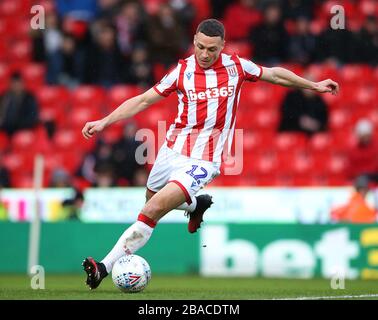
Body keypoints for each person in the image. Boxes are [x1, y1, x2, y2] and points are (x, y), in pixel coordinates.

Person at [81, 19, 339, 289]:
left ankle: (103, 267)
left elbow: (274, 74)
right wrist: (104, 121)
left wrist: (314, 85)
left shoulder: (237, 66)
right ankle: (196, 204)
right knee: (151, 200)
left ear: (223, 46)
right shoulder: (182, 72)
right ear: (194, 41)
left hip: (204, 159)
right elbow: (144, 99)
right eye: (201, 47)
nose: (205, 55)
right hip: (171, 151)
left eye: (212, 49)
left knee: (152, 209)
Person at [345, 119, 378, 184]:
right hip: (359, 179)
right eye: (363, 136)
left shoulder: (376, 147)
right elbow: (350, 169)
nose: (365, 138)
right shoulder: (353, 151)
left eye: (367, 135)